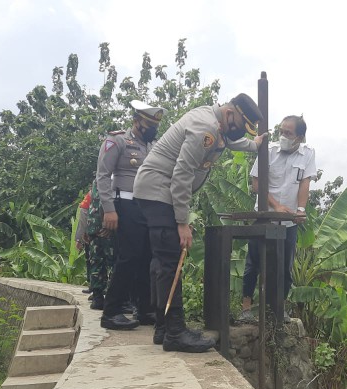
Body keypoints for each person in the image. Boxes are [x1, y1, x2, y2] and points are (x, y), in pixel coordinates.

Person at [134, 93, 265, 352]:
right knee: (171, 259)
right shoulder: (205, 128)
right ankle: (175, 332)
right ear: (231, 113)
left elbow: (229, 141)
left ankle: (163, 327)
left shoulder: (215, 122)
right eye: (240, 125)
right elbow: (182, 174)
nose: (240, 132)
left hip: (157, 191)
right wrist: (182, 222)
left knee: (161, 262)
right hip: (159, 190)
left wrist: (254, 144)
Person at [240, 115, 316, 323]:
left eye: (288, 133)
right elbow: (256, 184)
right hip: (264, 217)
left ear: (299, 137)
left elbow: (304, 184)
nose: (283, 135)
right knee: (253, 265)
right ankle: (246, 309)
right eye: (281, 131)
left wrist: (300, 209)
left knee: (284, 268)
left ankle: (278, 309)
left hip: (288, 222)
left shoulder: (307, 155)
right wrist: (276, 206)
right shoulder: (268, 150)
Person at [97, 100, 165, 330]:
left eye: (155, 125)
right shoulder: (117, 141)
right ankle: (112, 311)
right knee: (128, 257)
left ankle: (145, 309)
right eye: (148, 124)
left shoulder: (154, 145)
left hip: (148, 207)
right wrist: (109, 209)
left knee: (147, 257)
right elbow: (103, 176)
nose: (152, 128)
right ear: (136, 121)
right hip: (124, 204)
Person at [86, 179, 115, 310]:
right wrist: (106, 225)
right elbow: (104, 202)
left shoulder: (97, 181)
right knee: (113, 261)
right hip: (104, 227)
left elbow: (92, 204)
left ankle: (97, 297)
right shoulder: (108, 180)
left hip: (93, 225)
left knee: (96, 262)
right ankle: (110, 297)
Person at [74, 191, 91, 294]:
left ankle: (94, 286)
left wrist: (79, 239)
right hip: (93, 234)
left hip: (91, 234)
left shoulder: (92, 193)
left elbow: (83, 218)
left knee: (92, 261)